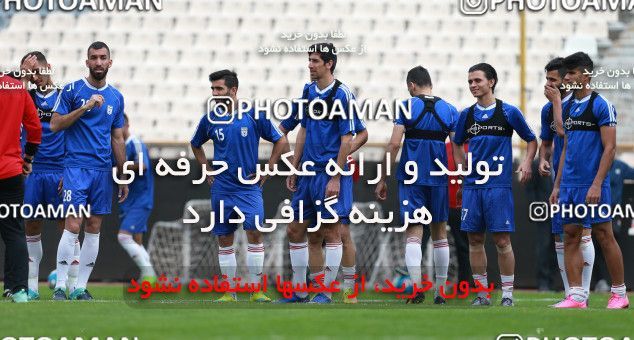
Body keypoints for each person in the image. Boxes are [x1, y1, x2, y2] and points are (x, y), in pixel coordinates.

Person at [277, 45, 368, 304]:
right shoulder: (308, 91)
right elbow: (302, 130)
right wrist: (295, 166)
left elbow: (349, 137)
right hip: (307, 173)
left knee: (332, 232)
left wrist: (337, 176)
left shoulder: (342, 95)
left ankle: (327, 291)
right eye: (309, 60)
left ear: (329, 64)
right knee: (296, 230)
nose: (310, 65)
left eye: (315, 61)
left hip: (329, 174)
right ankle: (301, 290)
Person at [190, 69, 289, 303]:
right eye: (212, 89)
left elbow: (280, 139)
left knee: (255, 233)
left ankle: (256, 290)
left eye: (219, 89)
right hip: (222, 187)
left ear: (233, 90)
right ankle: (229, 292)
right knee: (224, 238)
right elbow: (195, 144)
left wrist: (269, 168)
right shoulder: (210, 119)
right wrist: (205, 168)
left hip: (248, 187)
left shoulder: (254, 114)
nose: (214, 94)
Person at [452, 63, 537, 307]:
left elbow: (531, 140)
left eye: (477, 80)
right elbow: (457, 143)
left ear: (492, 82)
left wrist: (528, 162)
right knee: (475, 240)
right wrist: (463, 168)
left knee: (502, 241)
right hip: (472, 187)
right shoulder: (466, 115)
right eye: (469, 81)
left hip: (498, 187)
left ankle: (508, 294)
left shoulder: (509, 112)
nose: (473, 85)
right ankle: (482, 294)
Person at [50, 41, 129, 301]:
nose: (97, 62)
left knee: (94, 227)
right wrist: (84, 107)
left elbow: (117, 138)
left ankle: (80, 287)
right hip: (75, 167)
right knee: (73, 224)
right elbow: (55, 124)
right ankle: (61, 285)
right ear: (86, 62)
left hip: (102, 171)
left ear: (110, 62)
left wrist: (123, 173)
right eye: (93, 57)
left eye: (102, 57)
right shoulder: (73, 90)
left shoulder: (116, 98)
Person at [550, 52, 628, 309]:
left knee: (604, 234)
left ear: (585, 75)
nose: (566, 78)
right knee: (570, 235)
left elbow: (610, 149)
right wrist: (558, 185)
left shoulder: (601, 104)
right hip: (570, 184)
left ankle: (619, 293)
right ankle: (577, 296)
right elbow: (567, 147)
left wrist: (597, 183)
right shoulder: (569, 105)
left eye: (571, 74)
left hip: (594, 184)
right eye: (566, 74)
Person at [375, 65, 458, 304]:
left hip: (412, 177)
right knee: (440, 232)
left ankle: (416, 288)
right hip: (439, 178)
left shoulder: (406, 107)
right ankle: (440, 292)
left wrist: (382, 177)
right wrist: (460, 178)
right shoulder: (450, 110)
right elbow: (457, 148)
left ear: (412, 85)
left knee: (413, 232)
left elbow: (393, 145)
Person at [15, 52, 78, 301]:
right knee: (32, 226)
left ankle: (69, 285)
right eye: (31, 73)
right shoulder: (23, 95)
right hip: (32, 170)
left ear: (49, 67)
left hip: (60, 170)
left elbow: (75, 133)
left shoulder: (66, 96)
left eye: (39, 71)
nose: (36, 77)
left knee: (67, 227)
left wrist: (69, 169)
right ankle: (32, 286)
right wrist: (24, 77)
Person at [538, 57, 594, 303]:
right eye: (547, 78)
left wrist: (557, 103)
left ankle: (585, 292)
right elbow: (548, 141)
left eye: (553, 79)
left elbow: (563, 131)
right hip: (560, 177)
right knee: (560, 234)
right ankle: (571, 292)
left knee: (585, 233)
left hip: (581, 175)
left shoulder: (578, 104)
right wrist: (543, 159)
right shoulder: (547, 109)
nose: (548, 83)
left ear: (566, 80)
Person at [0, 70, 42, 303]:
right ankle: (18, 291)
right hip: (10, 171)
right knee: (14, 231)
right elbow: (34, 128)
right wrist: (28, 159)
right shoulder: (17, 88)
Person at [117, 114, 157, 283]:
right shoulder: (121, 145)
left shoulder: (135, 143)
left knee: (124, 236)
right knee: (137, 241)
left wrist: (122, 164)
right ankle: (147, 278)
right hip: (129, 200)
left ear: (126, 125)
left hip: (141, 199)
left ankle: (150, 275)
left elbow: (142, 166)